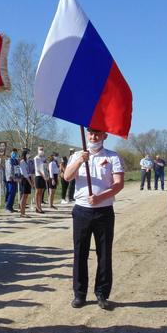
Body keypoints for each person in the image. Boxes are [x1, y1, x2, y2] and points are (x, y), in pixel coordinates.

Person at [64, 128, 124, 311]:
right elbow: (67, 177)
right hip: (82, 211)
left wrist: (101, 197)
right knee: (80, 253)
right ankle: (79, 294)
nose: (93, 137)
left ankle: (102, 293)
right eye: (90, 133)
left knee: (104, 254)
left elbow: (118, 183)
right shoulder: (77, 155)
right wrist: (80, 161)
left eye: (97, 134)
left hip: (103, 211)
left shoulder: (113, 157)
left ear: (105, 136)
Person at [4, 148, 21, 213]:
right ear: (11, 153)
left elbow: (18, 168)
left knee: (14, 193)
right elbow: (9, 169)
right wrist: (11, 176)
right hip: (10, 179)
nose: (15, 154)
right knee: (10, 192)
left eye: (16, 153)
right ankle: (7, 207)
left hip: (16, 178)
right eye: (13, 152)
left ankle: (11, 207)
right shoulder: (9, 160)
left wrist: (19, 177)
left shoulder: (16, 160)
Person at [18, 149, 33, 217]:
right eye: (28, 153)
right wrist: (30, 183)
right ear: (25, 154)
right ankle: (22, 213)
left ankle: (24, 212)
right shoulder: (22, 162)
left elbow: (30, 172)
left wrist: (32, 180)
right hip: (24, 180)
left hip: (28, 179)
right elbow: (25, 174)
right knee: (23, 196)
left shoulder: (28, 161)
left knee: (26, 196)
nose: (29, 155)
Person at [33, 146, 47, 213]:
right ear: (38, 150)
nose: (41, 150)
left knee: (41, 192)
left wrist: (46, 175)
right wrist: (43, 175)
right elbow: (37, 169)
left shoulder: (43, 158)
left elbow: (45, 167)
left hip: (43, 176)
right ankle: (37, 207)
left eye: (42, 149)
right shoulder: (36, 158)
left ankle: (40, 206)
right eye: (40, 149)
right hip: (38, 176)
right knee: (37, 192)